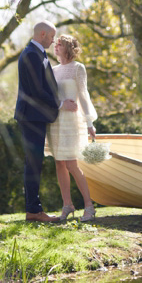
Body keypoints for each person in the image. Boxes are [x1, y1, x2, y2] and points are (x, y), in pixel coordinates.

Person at [13, 22, 77, 223]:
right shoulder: (31, 54)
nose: (53, 41)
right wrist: (60, 104)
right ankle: (33, 210)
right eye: (51, 37)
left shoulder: (37, 53)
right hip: (31, 116)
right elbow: (38, 90)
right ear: (42, 34)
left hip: (35, 116)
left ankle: (34, 209)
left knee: (35, 162)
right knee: (33, 163)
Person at [47, 34, 98, 222]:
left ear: (68, 48)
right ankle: (67, 205)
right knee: (59, 163)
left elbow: (83, 96)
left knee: (71, 164)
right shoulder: (52, 70)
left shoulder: (78, 68)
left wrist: (89, 123)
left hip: (72, 122)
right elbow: (50, 96)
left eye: (59, 44)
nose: (55, 47)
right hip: (55, 122)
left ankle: (89, 206)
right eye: (55, 44)